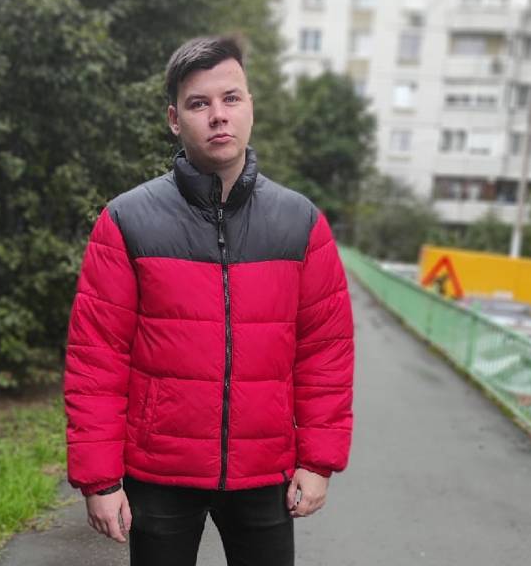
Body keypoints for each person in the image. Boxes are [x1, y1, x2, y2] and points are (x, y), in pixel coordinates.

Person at [64, 36, 354, 566]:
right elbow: (97, 357)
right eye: (199, 103)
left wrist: (318, 461)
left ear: (250, 107)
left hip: (265, 471)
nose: (218, 115)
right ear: (175, 120)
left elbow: (325, 352)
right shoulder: (127, 220)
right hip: (160, 472)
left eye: (231, 98)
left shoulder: (300, 223)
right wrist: (99, 479)